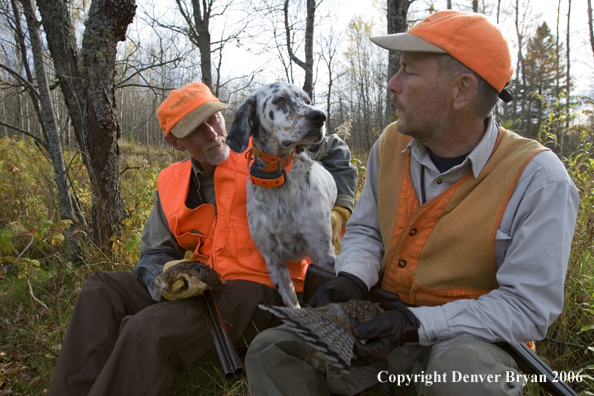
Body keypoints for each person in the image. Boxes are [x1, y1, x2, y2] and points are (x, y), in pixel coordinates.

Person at [245, 10, 579, 396]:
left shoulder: (539, 179)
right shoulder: (390, 143)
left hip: (475, 339)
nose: (392, 83)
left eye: (409, 71)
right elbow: (367, 230)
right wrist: (353, 277)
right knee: (273, 349)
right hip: (379, 321)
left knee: (462, 375)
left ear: (462, 90)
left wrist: (414, 323)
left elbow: (528, 308)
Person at [47, 82, 357, 396]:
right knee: (101, 287)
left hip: (262, 289)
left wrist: (340, 209)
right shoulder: (171, 182)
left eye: (214, 118)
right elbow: (155, 251)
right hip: (207, 289)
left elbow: (334, 148)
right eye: (196, 129)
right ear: (175, 142)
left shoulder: (264, 146)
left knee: (147, 330)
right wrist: (167, 280)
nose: (212, 133)